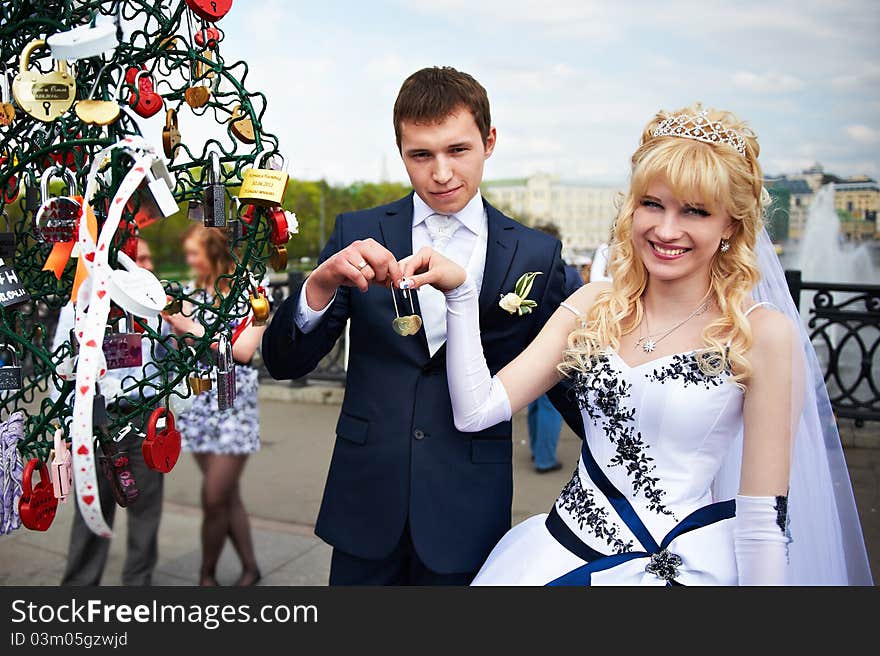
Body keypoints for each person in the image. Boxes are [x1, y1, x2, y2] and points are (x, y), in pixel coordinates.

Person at [400, 103, 873, 585]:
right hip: (555, 557)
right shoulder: (593, 304)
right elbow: (476, 410)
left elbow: (761, 524)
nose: (666, 230)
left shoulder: (761, 334)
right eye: (653, 204)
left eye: (695, 211)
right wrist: (459, 294)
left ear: (730, 224)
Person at [262, 66, 568, 585]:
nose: (441, 173)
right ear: (400, 149)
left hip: (469, 505)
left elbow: (566, 379)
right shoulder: (356, 231)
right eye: (420, 155)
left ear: (489, 142)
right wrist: (317, 288)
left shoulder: (537, 253)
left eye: (458, 150)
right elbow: (285, 361)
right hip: (365, 499)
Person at [162, 225, 266, 587]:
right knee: (226, 495)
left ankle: (206, 577)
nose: (189, 261)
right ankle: (250, 567)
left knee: (213, 496)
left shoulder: (253, 295)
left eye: (194, 253)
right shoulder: (191, 294)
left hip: (234, 403)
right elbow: (180, 352)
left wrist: (191, 327)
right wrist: (174, 332)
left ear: (216, 254)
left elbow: (242, 351)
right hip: (199, 402)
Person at [58, 238, 165, 586]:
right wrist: (67, 426)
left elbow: (165, 362)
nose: (146, 265)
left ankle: (139, 587)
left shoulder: (152, 305)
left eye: (147, 259)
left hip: (143, 417)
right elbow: (59, 370)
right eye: (139, 257)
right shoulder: (80, 304)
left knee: (145, 513)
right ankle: (79, 589)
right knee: (92, 512)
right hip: (95, 419)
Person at [528, 224, 584, 473]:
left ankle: (536, 449)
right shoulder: (569, 274)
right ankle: (545, 458)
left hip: (527, 345)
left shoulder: (526, 271)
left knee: (533, 401)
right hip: (559, 350)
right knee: (551, 405)